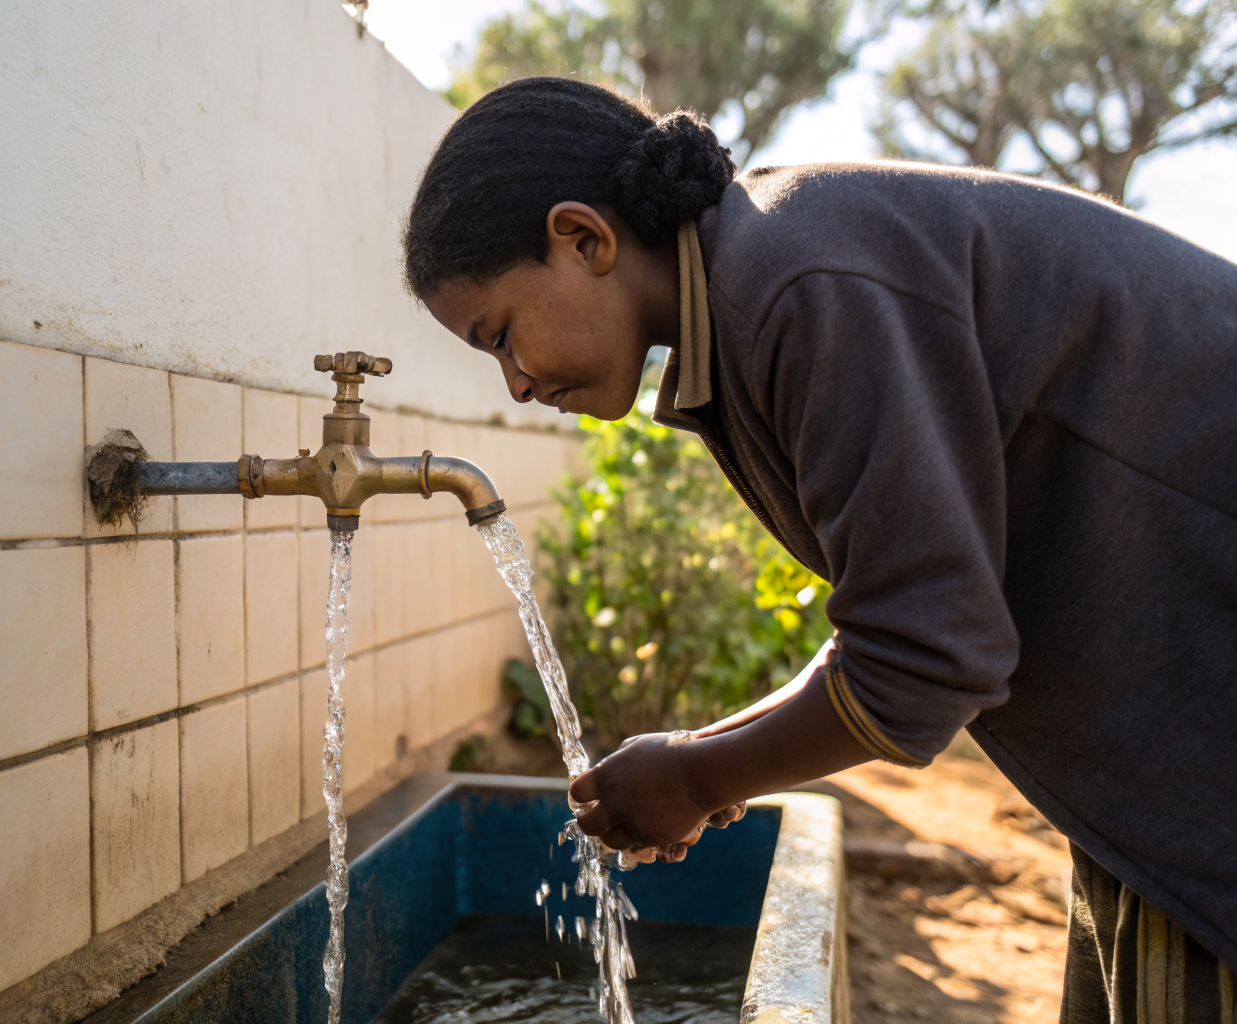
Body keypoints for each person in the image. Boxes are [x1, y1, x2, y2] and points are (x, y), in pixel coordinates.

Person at [402, 76, 1236, 1022]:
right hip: (1161, 725)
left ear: (584, 238)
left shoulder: (802, 281)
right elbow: (901, 612)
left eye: (502, 334)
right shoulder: (755, 284)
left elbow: (928, 656)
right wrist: (701, 753)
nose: (514, 383)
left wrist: (698, 776)